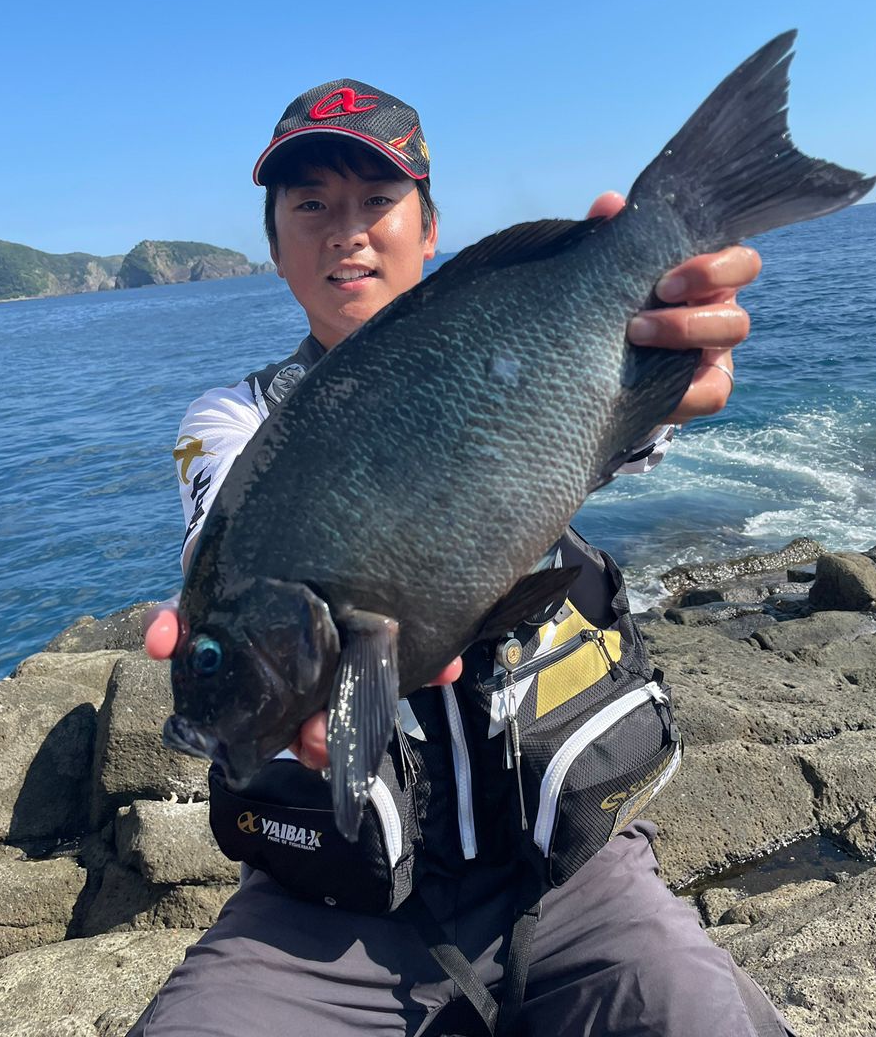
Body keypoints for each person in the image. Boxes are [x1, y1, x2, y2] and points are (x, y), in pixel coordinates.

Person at [132, 80, 794, 1037]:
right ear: (274, 245)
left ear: (430, 228)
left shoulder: (512, 350)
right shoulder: (232, 423)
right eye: (309, 204)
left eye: (377, 201)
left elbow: (610, 428)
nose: (344, 231)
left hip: (571, 875)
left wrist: (676, 357)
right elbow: (226, 542)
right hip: (325, 919)